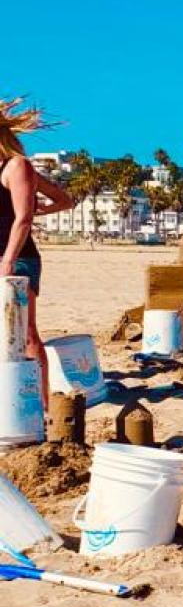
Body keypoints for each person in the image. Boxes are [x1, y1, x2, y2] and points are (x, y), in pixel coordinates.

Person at [0, 97, 75, 404]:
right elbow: (63, 199)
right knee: (6, 334)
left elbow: (23, 219)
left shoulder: (17, 166)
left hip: (18, 260)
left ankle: (43, 409)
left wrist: (8, 261)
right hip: (5, 258)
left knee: (26, 332)